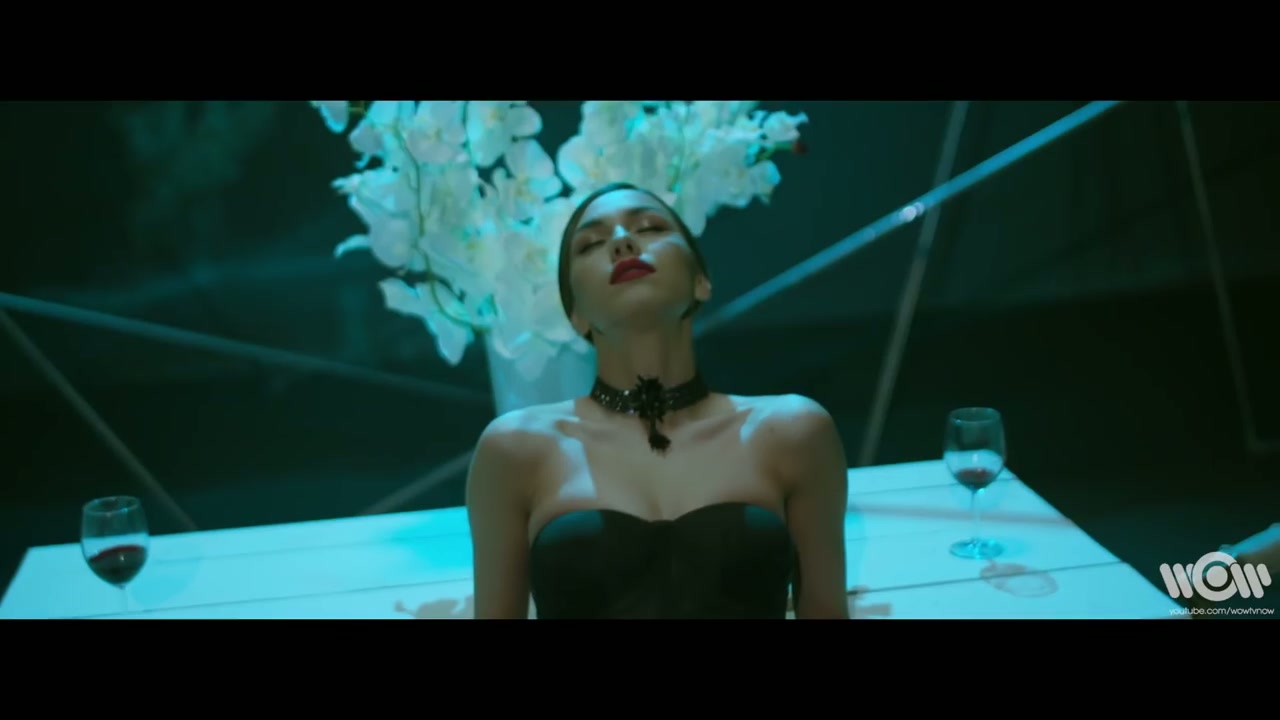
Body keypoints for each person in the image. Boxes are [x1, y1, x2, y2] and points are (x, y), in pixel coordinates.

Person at [465, 182, 850, 619]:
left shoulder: (794, 431)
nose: (622, 242)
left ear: (701, 281)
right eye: (591, 244)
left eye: (649, 227)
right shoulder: (515, 450)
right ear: (575, 315)